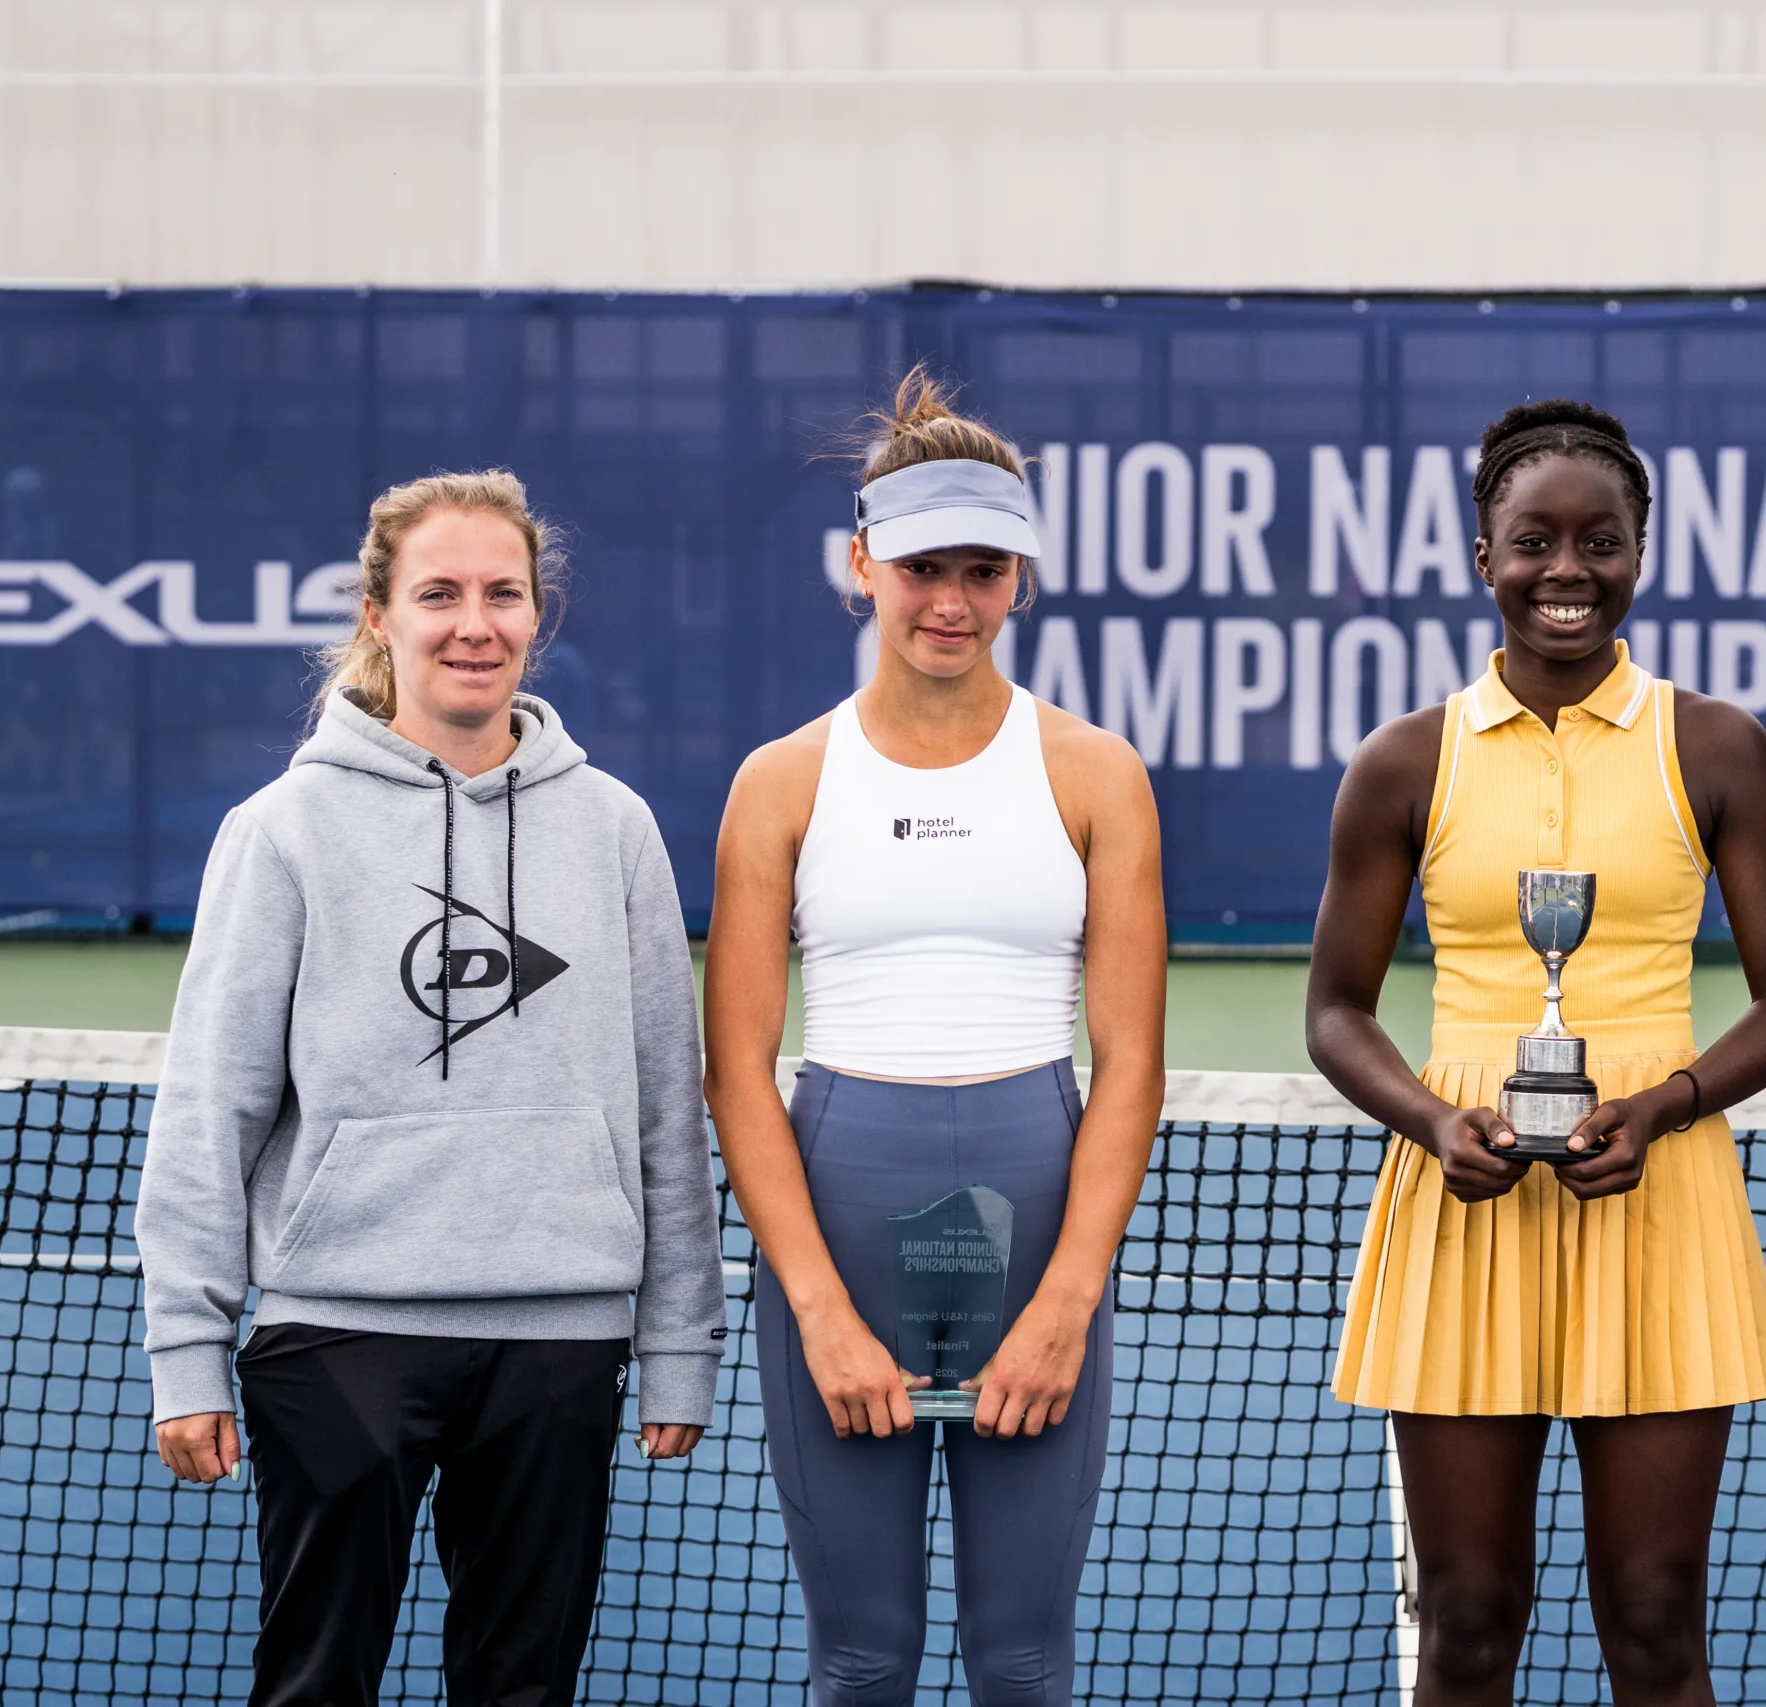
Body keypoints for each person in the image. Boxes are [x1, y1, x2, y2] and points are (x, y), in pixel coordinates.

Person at [134, 470, 726, 1707]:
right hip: (341, 1336)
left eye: (503, 594)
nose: (476, 624)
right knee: (317, 1686)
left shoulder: (615, 830)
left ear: (536, 614)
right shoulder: (283, 829)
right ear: (378, 614)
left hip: (560, 1345)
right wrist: (188, 1350)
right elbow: (208, 1109)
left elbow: (670, 1108)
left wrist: (678, 1344)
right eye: (440, 593)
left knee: (522, 1689)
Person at [1309, 399, 1766, 1707]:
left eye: (1601, 540)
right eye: (1533, 540)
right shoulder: (1403, 761)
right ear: (1484, 553)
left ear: (1641, 550)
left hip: (1660, 1200)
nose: (1567, 571)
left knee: (1656, 1624)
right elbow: (1336, 1009)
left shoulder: (1716, 747)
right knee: (1469, 1622)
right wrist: (1434, 1120)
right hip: (1461, 1204)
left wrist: (1664, 1104)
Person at [704, 371, 1166, 1707]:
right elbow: (740, 1064)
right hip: (837, 1225)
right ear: (863, 563)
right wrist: (820, 1312)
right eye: (920, 566)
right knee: (860, 1658)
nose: (950, 599)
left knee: (1024, 1660)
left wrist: (1068, 1302)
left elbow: (1129, 1058)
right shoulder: (781, 782)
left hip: (1040, 1223)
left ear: (1021, 575)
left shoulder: (1097, 773)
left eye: (982, 567)